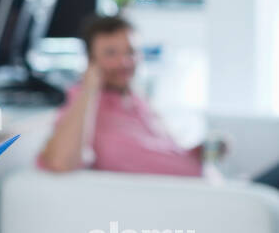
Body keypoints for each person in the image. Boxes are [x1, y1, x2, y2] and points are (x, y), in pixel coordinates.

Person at [37, 13, 226, 176]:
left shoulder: (136, 98)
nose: (124, 62)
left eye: (131, 52)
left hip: (211, 184)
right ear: (90, 61)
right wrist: (89, 87)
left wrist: (195, 153)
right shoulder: (83, 102)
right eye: (111, 53)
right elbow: (60, 161)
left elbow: (162, 151)